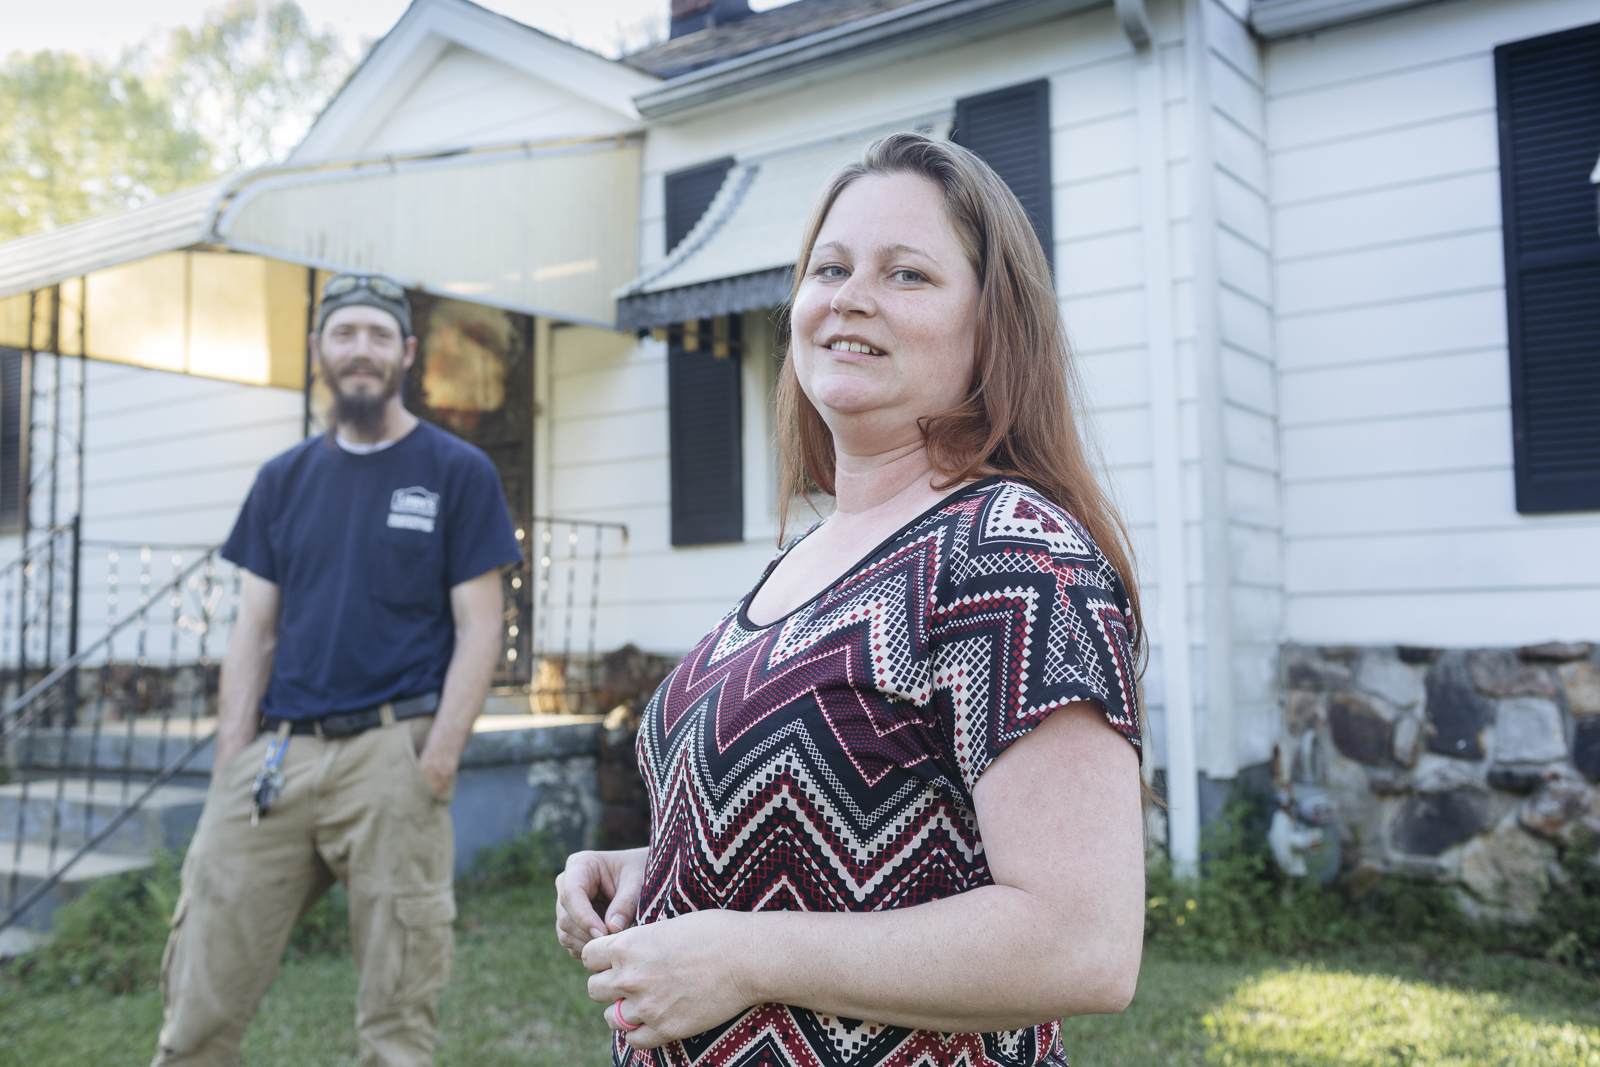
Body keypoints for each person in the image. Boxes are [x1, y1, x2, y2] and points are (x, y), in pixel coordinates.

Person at [556, 132, 1146, 1067]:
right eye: (829, 267)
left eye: (907, 274)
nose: (850, 296)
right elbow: (840, 836)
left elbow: (1082, 943)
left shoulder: (1012, 552)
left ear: (993, 326)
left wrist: (746, 952)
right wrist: (657, 874)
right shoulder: (809, 554)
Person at [153, 273, 523, 1067]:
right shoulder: (282, 480)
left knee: (397, 1021)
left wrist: (438, 758)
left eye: (378, 335)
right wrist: (231, 754)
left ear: (407, 354)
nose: (361, 349)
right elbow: (255, 629)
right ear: (319, 350)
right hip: (274, 762)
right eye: (345, 333)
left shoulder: (457, 471)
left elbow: (480, 627)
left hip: (391, 758)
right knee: (197, 1001)